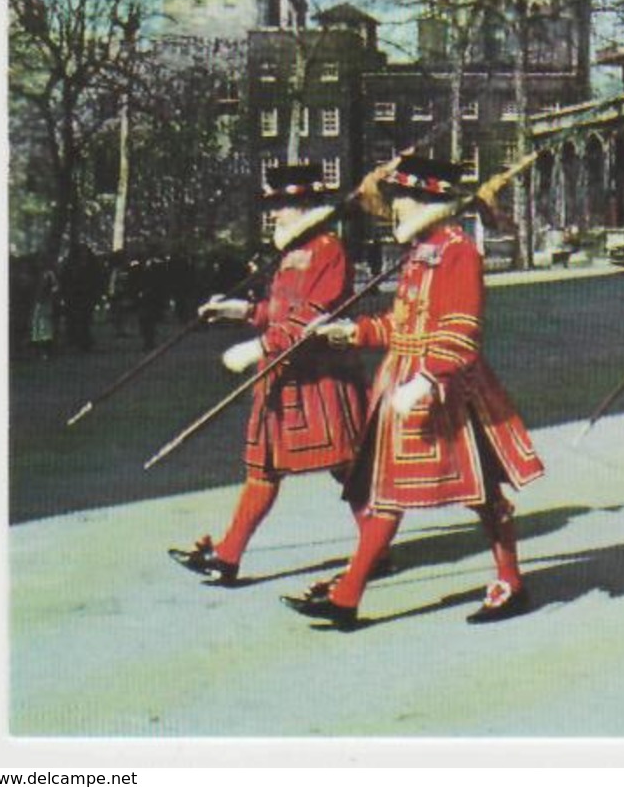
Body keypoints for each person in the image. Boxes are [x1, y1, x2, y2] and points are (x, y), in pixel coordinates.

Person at [293, 155, 545, 628]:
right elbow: (402, 323)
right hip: (404, 380)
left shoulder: (458, 250)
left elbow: (462, 329)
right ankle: (349, 595)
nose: (395, 207)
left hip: (443, 386)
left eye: (403, 197)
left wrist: (429, 379)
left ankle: (508, 581)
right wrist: (352, 330)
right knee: (398, 491)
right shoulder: (421, 249)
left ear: (427, 198)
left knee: (474, 491)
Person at [170, 164, 370, 586]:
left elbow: (315, 317)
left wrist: (258, 346)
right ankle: (227, 556)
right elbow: (278, 314)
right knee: (262, 468)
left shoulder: (328, 250)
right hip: (280, 376)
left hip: (318, 378)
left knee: (348, 467)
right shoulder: (291, 251)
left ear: (302, 206)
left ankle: (375, 549)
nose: (274, 215)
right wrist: (240, 311)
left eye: (280, 206)